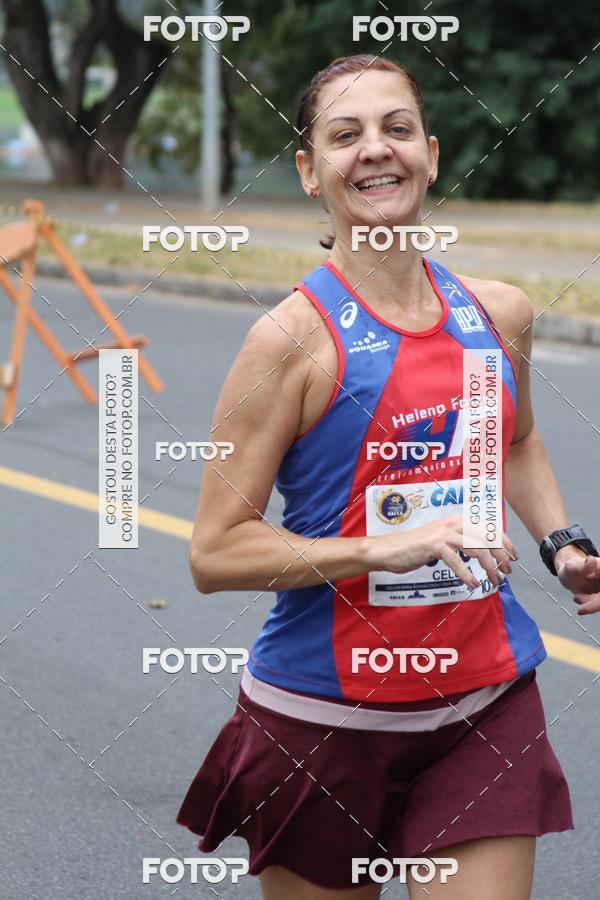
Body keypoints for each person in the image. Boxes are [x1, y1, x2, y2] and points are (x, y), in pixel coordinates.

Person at [177, 54, 600, 899]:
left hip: (482, 703)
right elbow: (215, 553)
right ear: (309, 172)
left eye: (397, 128)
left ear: (431, 154)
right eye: (346, 135)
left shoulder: (498, 314)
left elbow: (513, 441)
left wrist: (564, 544)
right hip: (324, 719)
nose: (376, 149)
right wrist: (384, 549)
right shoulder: (290, 343)